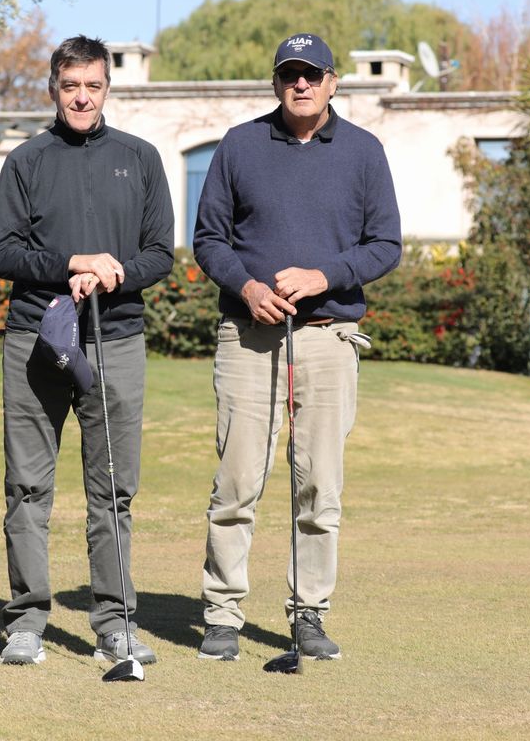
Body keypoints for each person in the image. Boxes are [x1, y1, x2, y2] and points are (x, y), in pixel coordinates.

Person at [192, 33, 402, 662]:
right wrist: (248, 287)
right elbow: (208, 240)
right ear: (277, 82)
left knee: (320, 488)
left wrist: (325, 276)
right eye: (290, 75)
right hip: (249, 337)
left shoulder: (364, 152)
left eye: (313, 74)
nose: (301, 85)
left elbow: (385, 246)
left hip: (329, 339)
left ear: (334, 82)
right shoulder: (240, 145)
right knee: (237, 482)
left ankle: (308, 612)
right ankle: (222, 615)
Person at [0, 35, 175, 666]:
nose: (82, 97)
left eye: (93, 86)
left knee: (113, 489)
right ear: (53, 88)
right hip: (35, 337)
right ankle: (26, 621)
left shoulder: (141, 158)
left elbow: (160, 254)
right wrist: (70, 262)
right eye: (71, 86)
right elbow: (3, 254)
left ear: (107, 89)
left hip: (116, 337)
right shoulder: (26, 161)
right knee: (27, 485)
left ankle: (115, 623)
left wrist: (111, 272)